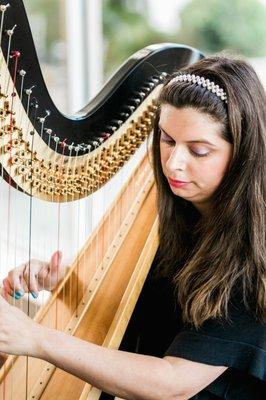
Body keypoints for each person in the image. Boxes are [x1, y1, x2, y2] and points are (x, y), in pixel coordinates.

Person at [0, 53, 265, 400]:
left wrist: (36, 338)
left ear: (243, 153)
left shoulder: (254, 254)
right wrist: (70, 280)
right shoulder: (180, 213)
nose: (174, 163)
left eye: (198, 151)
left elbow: (172, 383)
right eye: (167, 140)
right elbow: (164, 306)